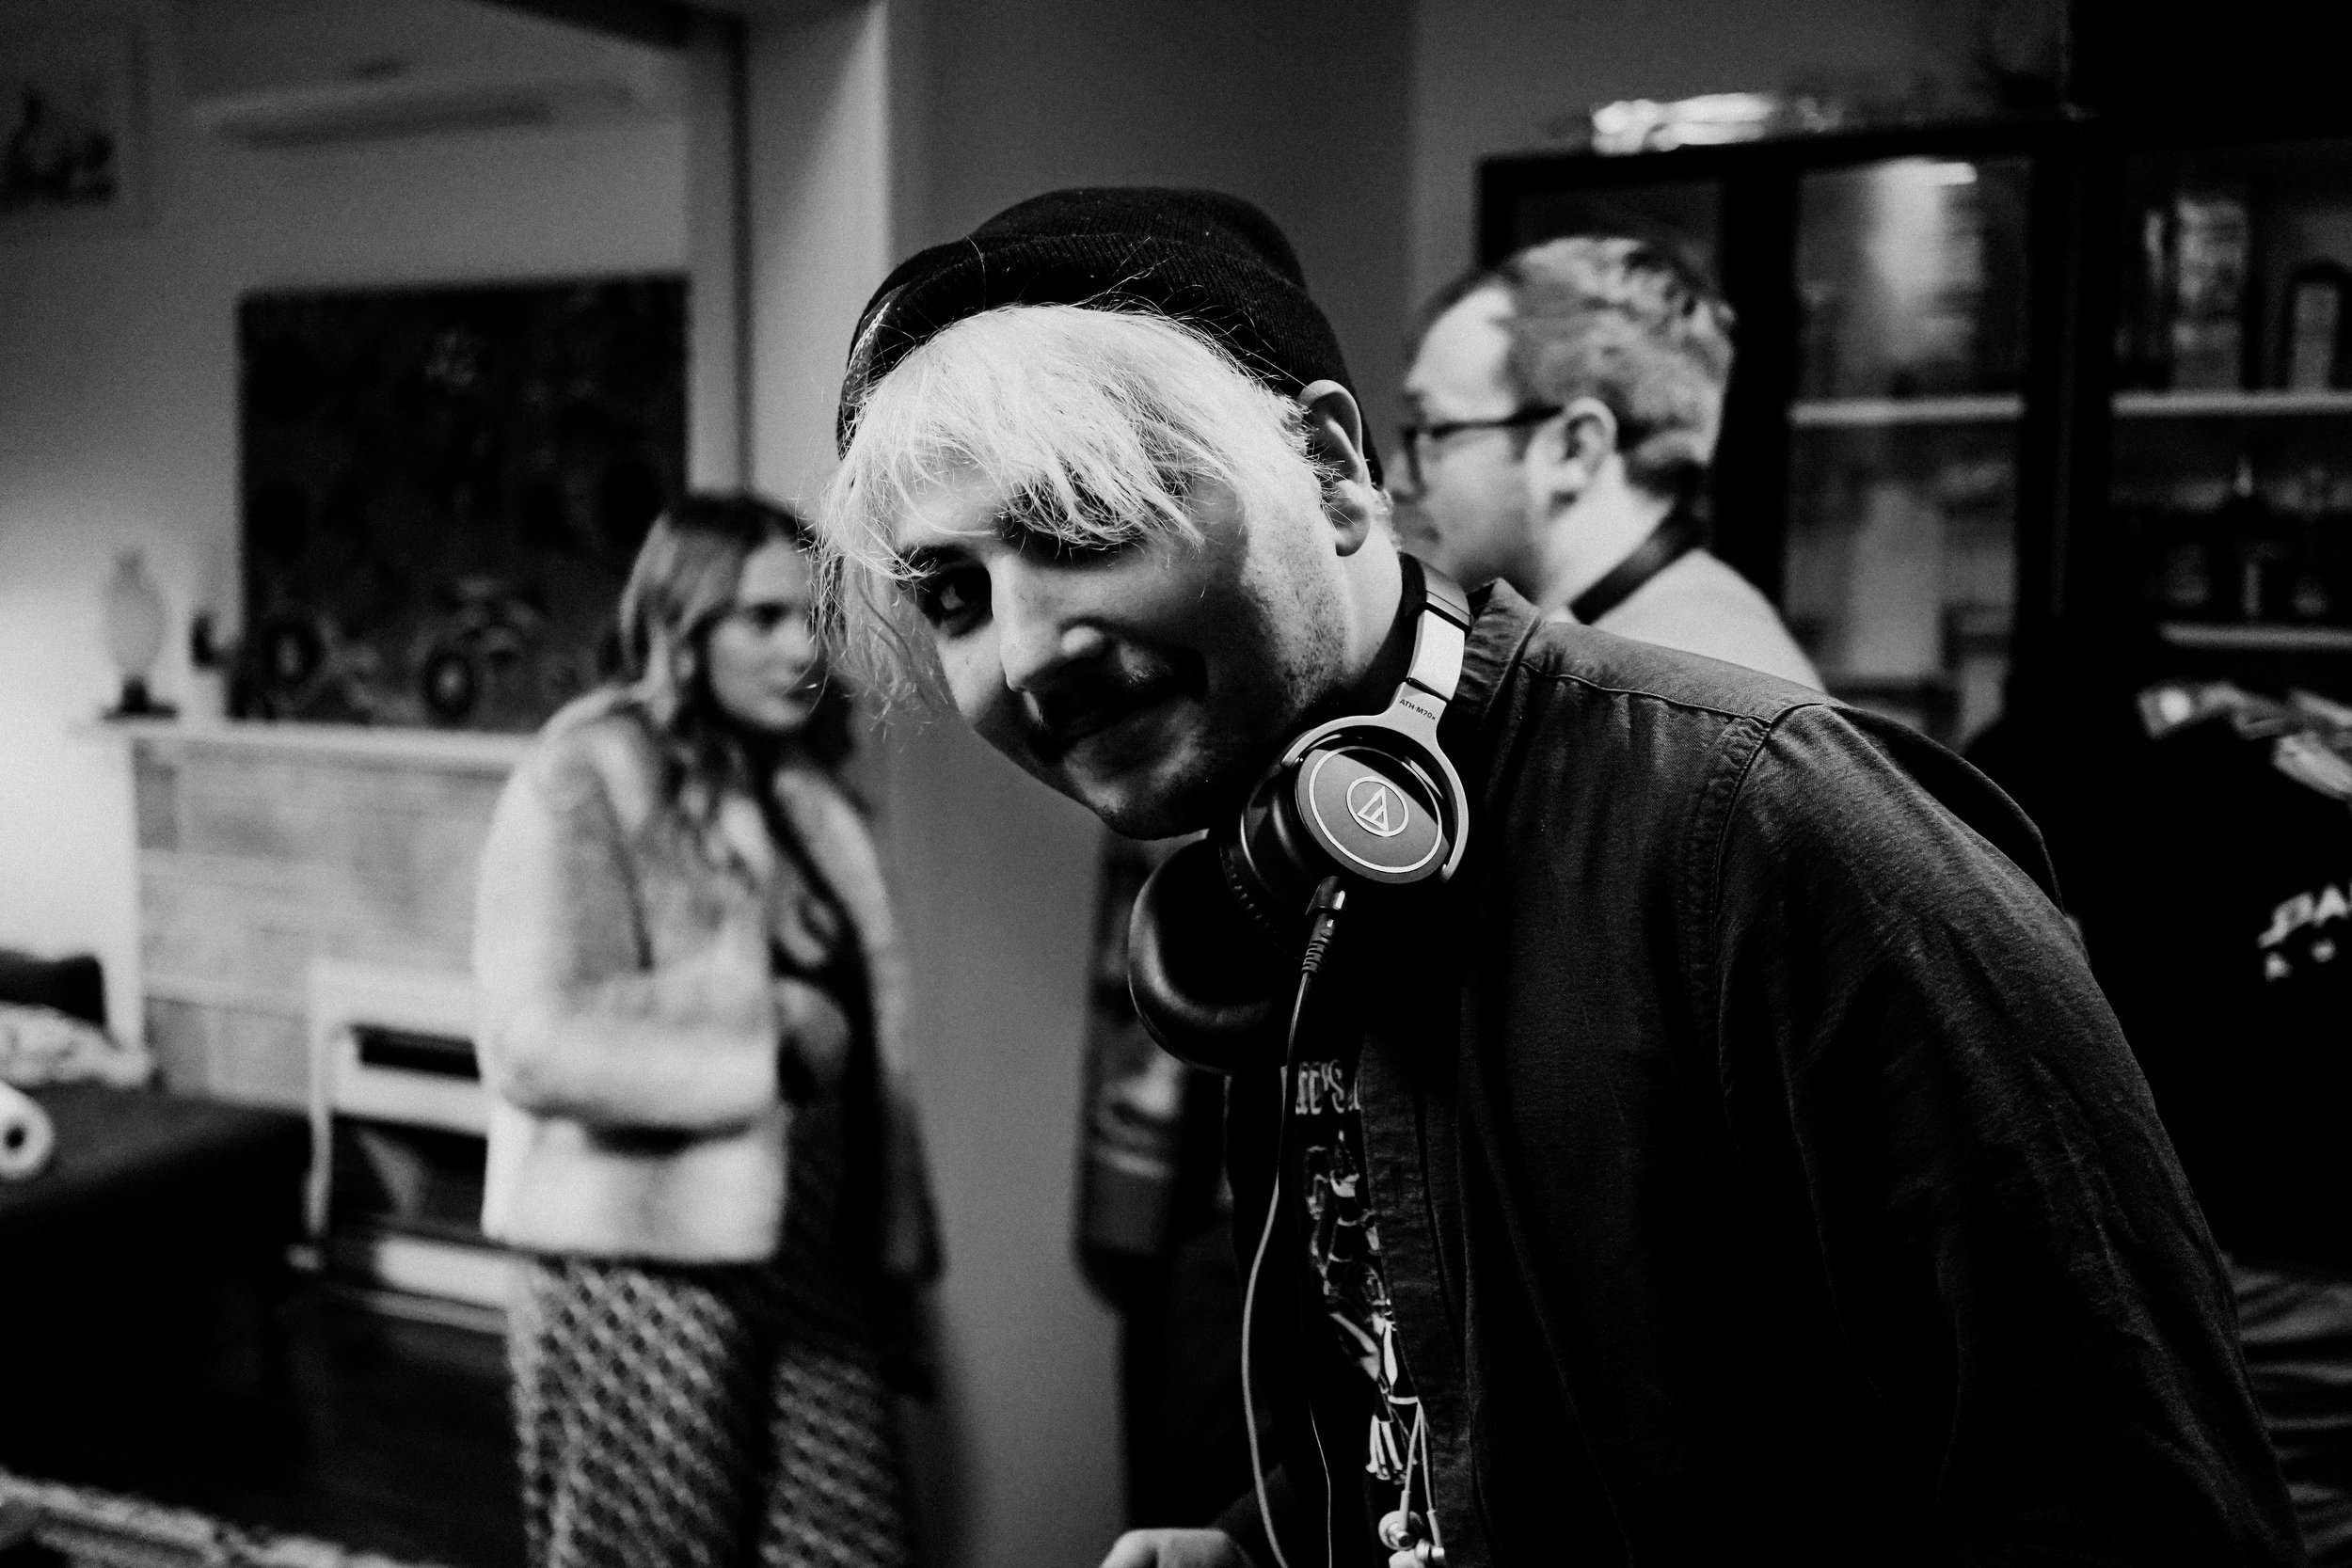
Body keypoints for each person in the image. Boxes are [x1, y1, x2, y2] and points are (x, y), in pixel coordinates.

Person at [813, 187, 2299, 1568]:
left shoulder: (1764, 819)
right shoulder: (1290, 880)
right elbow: (1469, 1406)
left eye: (1086, 521)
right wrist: (1276, 1543)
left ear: (1330, 471)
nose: (1026, 651)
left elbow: (2146, 1499)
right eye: (955, 593)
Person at [472, 494, 940, 1568]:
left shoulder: (805, 790)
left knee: (858, 1547)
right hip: (639, 1276)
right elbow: (532, 1041)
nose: (801, 649)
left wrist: (894, 1244)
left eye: (812, 617)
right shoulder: (584, 771)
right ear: (682, 624)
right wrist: (762, 1040)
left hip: (815, 1266)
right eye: (762, 618)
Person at [1395, 235, 1820, 687]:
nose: (1397, 480)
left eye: (1432, 429)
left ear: (1575, 449)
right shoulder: (1681, 639)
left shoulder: (1645, 695)